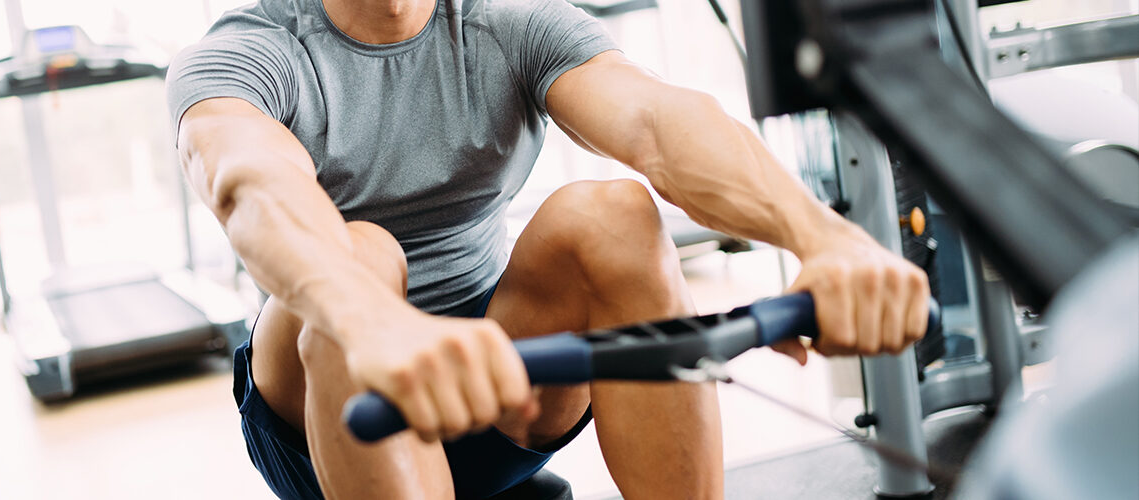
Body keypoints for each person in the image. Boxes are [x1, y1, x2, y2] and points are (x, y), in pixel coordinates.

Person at [168, 0, 930, 498]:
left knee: (612, 214)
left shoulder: (507, 24)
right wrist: (375, 325)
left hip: (506, 385)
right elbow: (252, 184)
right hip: (332, 405)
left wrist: (824, 238)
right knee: (362, 256)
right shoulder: (251, 51)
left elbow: (658, 123)